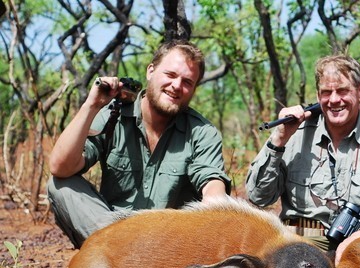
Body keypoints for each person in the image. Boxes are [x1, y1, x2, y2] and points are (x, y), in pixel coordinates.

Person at [47, 40, 231, 248]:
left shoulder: (202, 132)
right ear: (151, 71)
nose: (177, 86)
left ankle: (116, 263)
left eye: (187, 82)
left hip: (166, 243)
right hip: (109, 228)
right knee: (59, 184)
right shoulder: (111, 116)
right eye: (170, 75)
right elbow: (60, 166)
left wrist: (215, 204)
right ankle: (120, 255)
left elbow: (212, 181)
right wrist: (92, 105)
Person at [246, 54, 360, 264]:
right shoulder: (293, 134)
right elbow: (258, 197)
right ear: (318, 96)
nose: (334, 100)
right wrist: (279, 139)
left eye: (342, 91)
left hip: (355, 249)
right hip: (295, 246)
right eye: (326, 92)